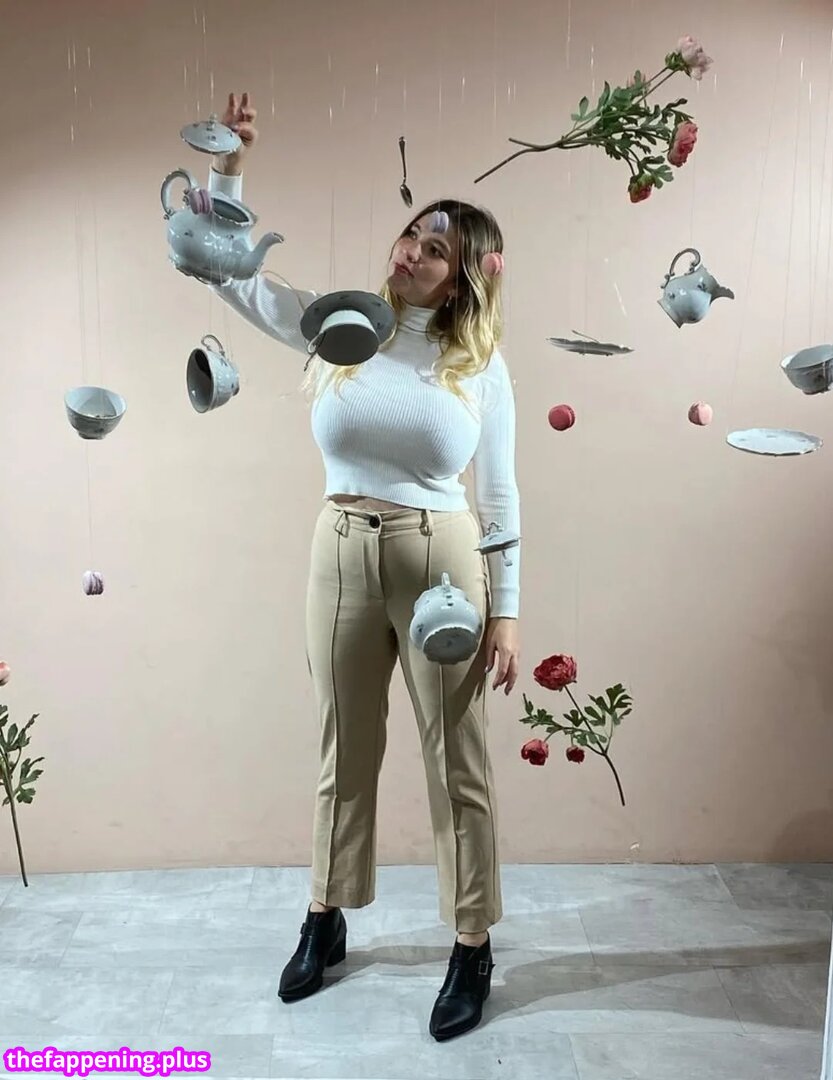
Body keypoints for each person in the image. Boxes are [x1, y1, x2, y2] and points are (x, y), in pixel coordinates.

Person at [203, 91, 521, 1042]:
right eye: (411, 235)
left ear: (460, 280)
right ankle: (325, 914)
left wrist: (507, 610)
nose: (409, 250)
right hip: (339, 547)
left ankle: (471, 942)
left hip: (441, 557)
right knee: (342, 744)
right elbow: (236, 282)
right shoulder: (342, 325)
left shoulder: (479, 362)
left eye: (434, 248)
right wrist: (229, 168)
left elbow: (500, 493)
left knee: (454, 756)